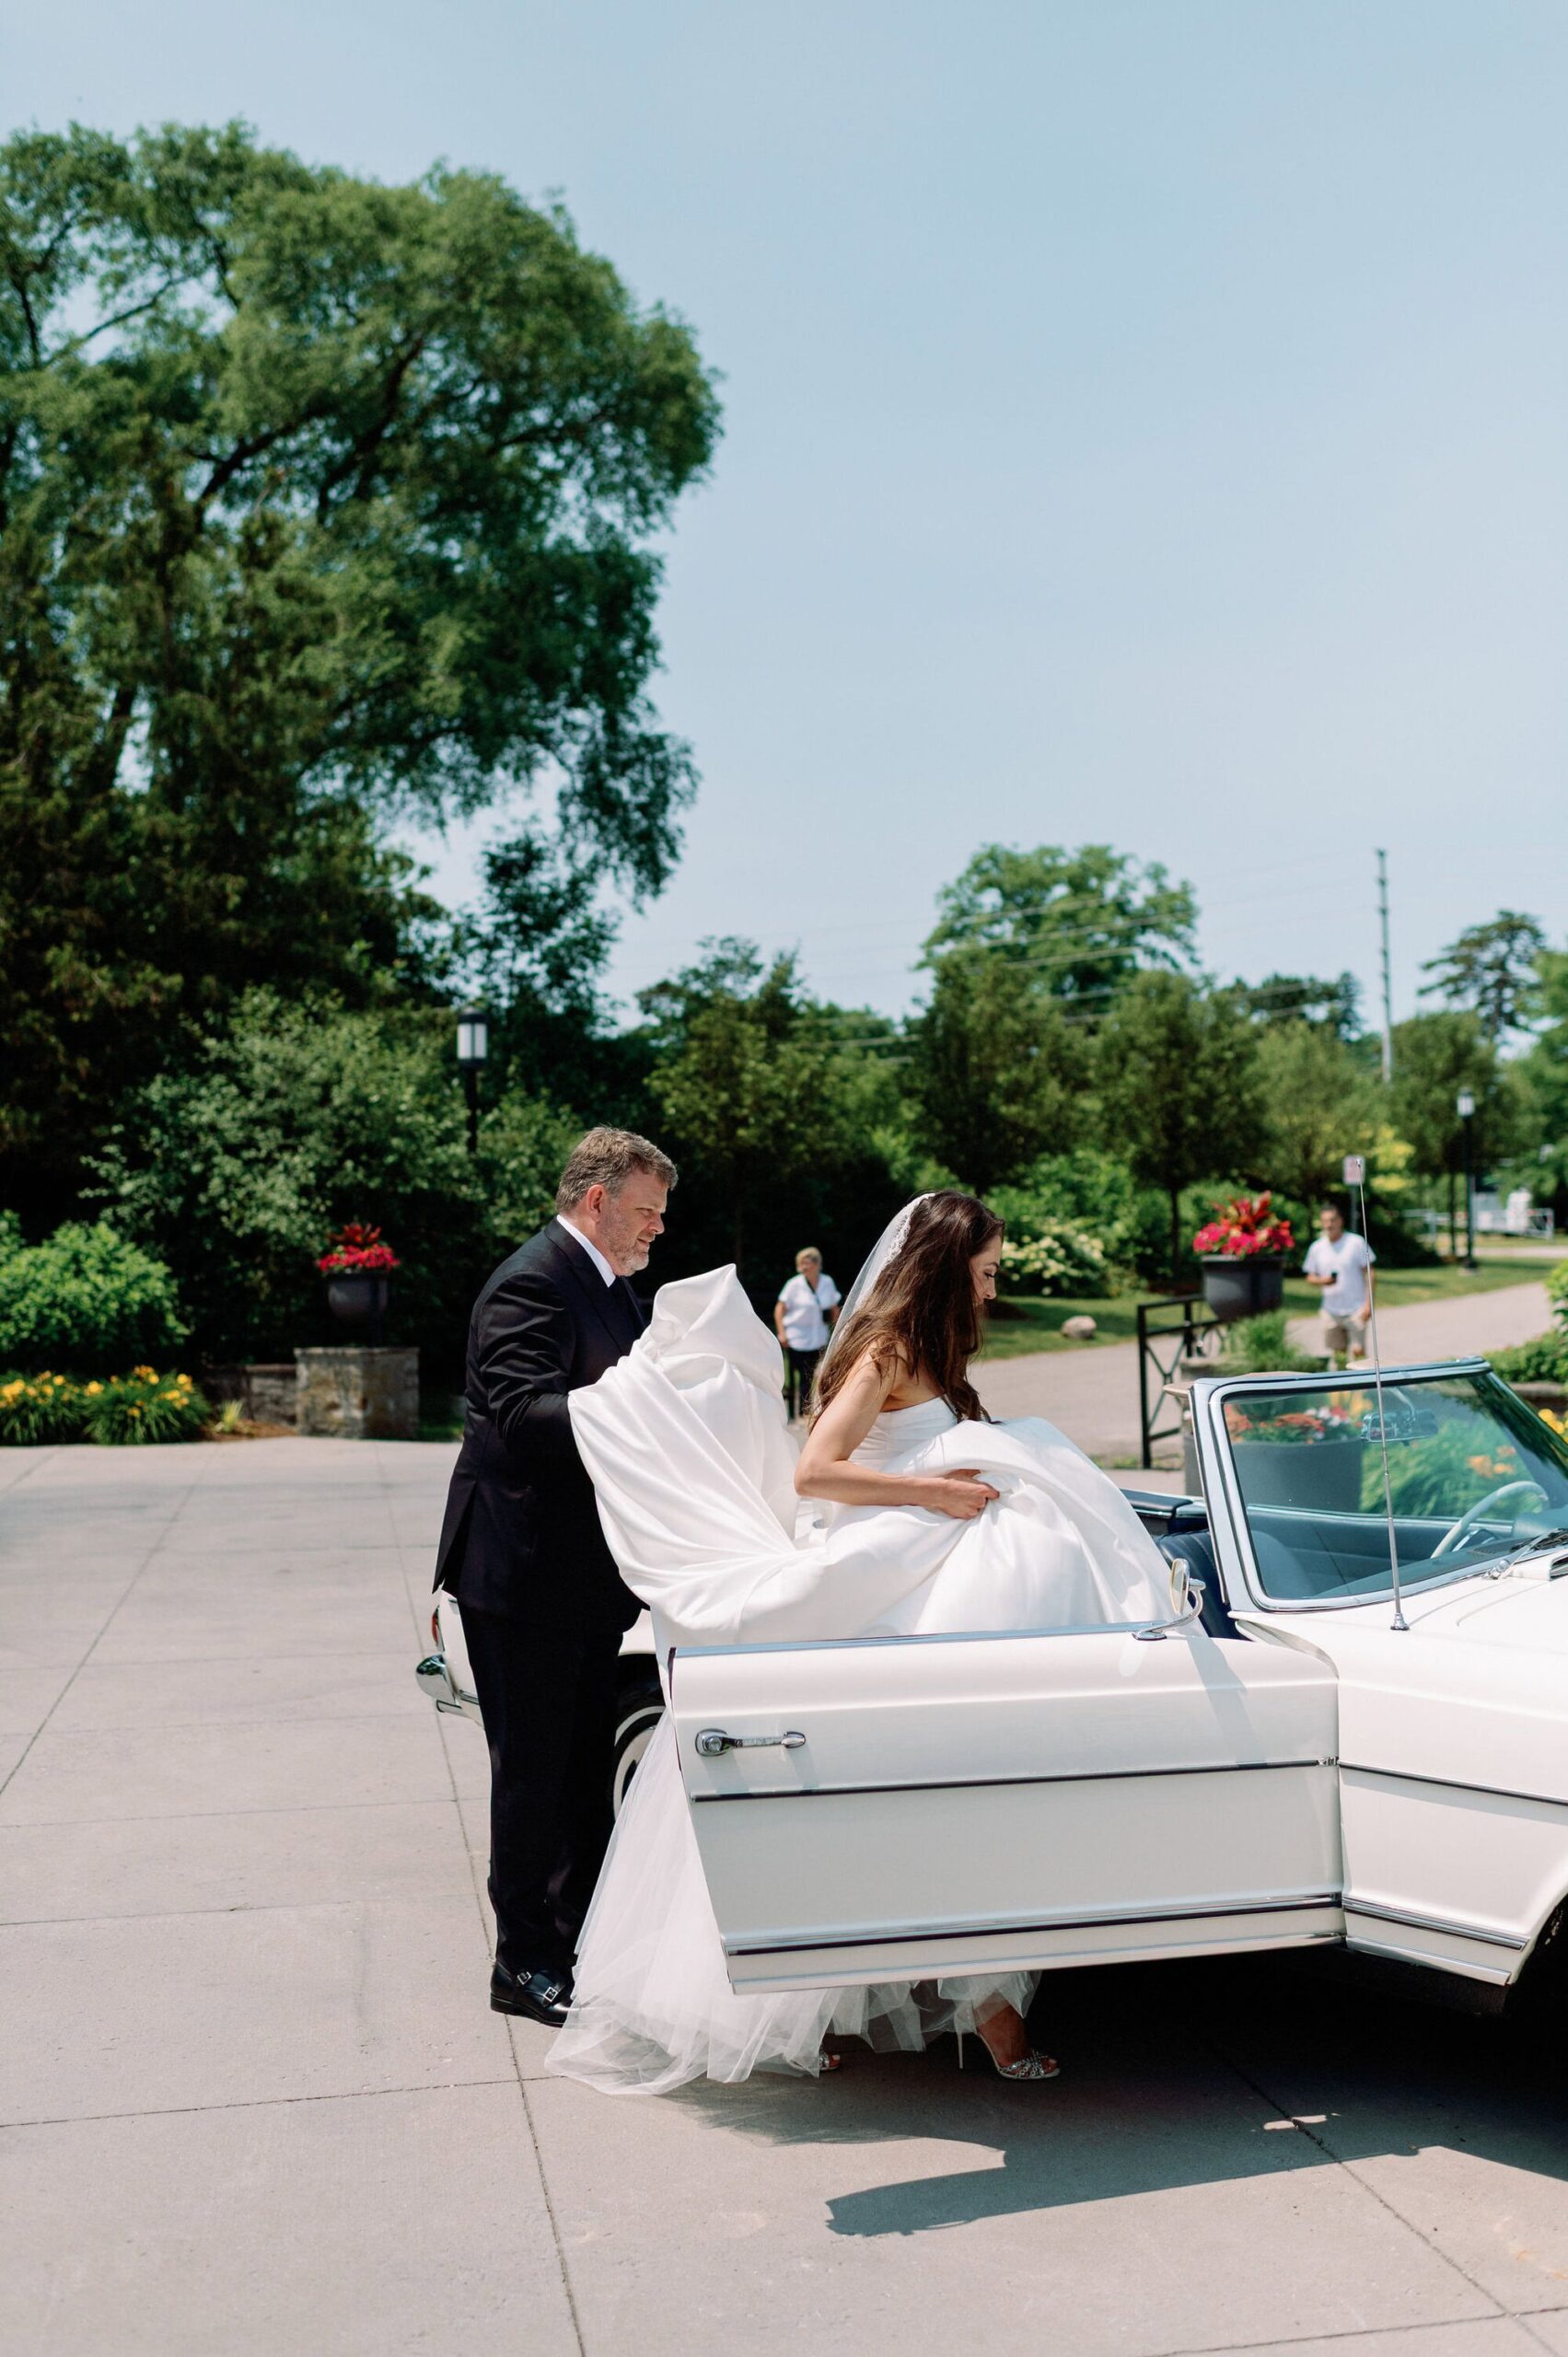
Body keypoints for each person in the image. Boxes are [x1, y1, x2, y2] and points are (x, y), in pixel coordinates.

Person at [545, 1190, 1172, 2096]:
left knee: (941, 1776)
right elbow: (816, 1469)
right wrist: (932, 1494)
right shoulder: (882, 1350)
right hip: (890, 1556)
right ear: (946, 1267)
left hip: (935, 1555)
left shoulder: (941, 1353)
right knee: (881, 1784)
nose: (993, 1290)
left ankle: (963, 1992)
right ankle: (912, 2004)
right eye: (986, 1272)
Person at [432, 1126, 676, 2027]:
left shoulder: (615, 1289)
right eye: (646, 1212)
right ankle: (523, 1963)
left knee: (580, 1771)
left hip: (580, 1574)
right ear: (596, 1200)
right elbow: (518, 1414)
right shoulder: (529, 1281)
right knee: (532, 1776)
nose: (655, 1230)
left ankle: (580, 1947)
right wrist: (638, 1405)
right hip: (520, 1570)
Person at [1302, 1201, 1376, 1366]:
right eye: (1325, 1221)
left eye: (1332, 1220)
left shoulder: (1356, 1243)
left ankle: (1363, 1389)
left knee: (1359, 1353)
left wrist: (1368, 1304)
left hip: (1356, 1308)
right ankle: (1343, 1390)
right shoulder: (1317, 1247)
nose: (1329, 1224)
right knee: (1339, 1355)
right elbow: (1309, 1276)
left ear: (1340, 1221)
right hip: (1331, 1310)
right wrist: (1323, 1281)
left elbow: (1369, 1272)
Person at [773, 1245, 841, 1419]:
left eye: (807, 1264)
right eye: (801, 1264)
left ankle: (810, 1410)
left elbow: (834, 1308)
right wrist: (782, 1333)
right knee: (800, 1376)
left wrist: (839, 1330)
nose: (804, 1268)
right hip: (797, 1337)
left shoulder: (827, 1282)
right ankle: (797, 1412)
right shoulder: (793, 1285)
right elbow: (779, 1309)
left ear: (817, 1264)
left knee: (816, 1375)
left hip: (819, 1336)